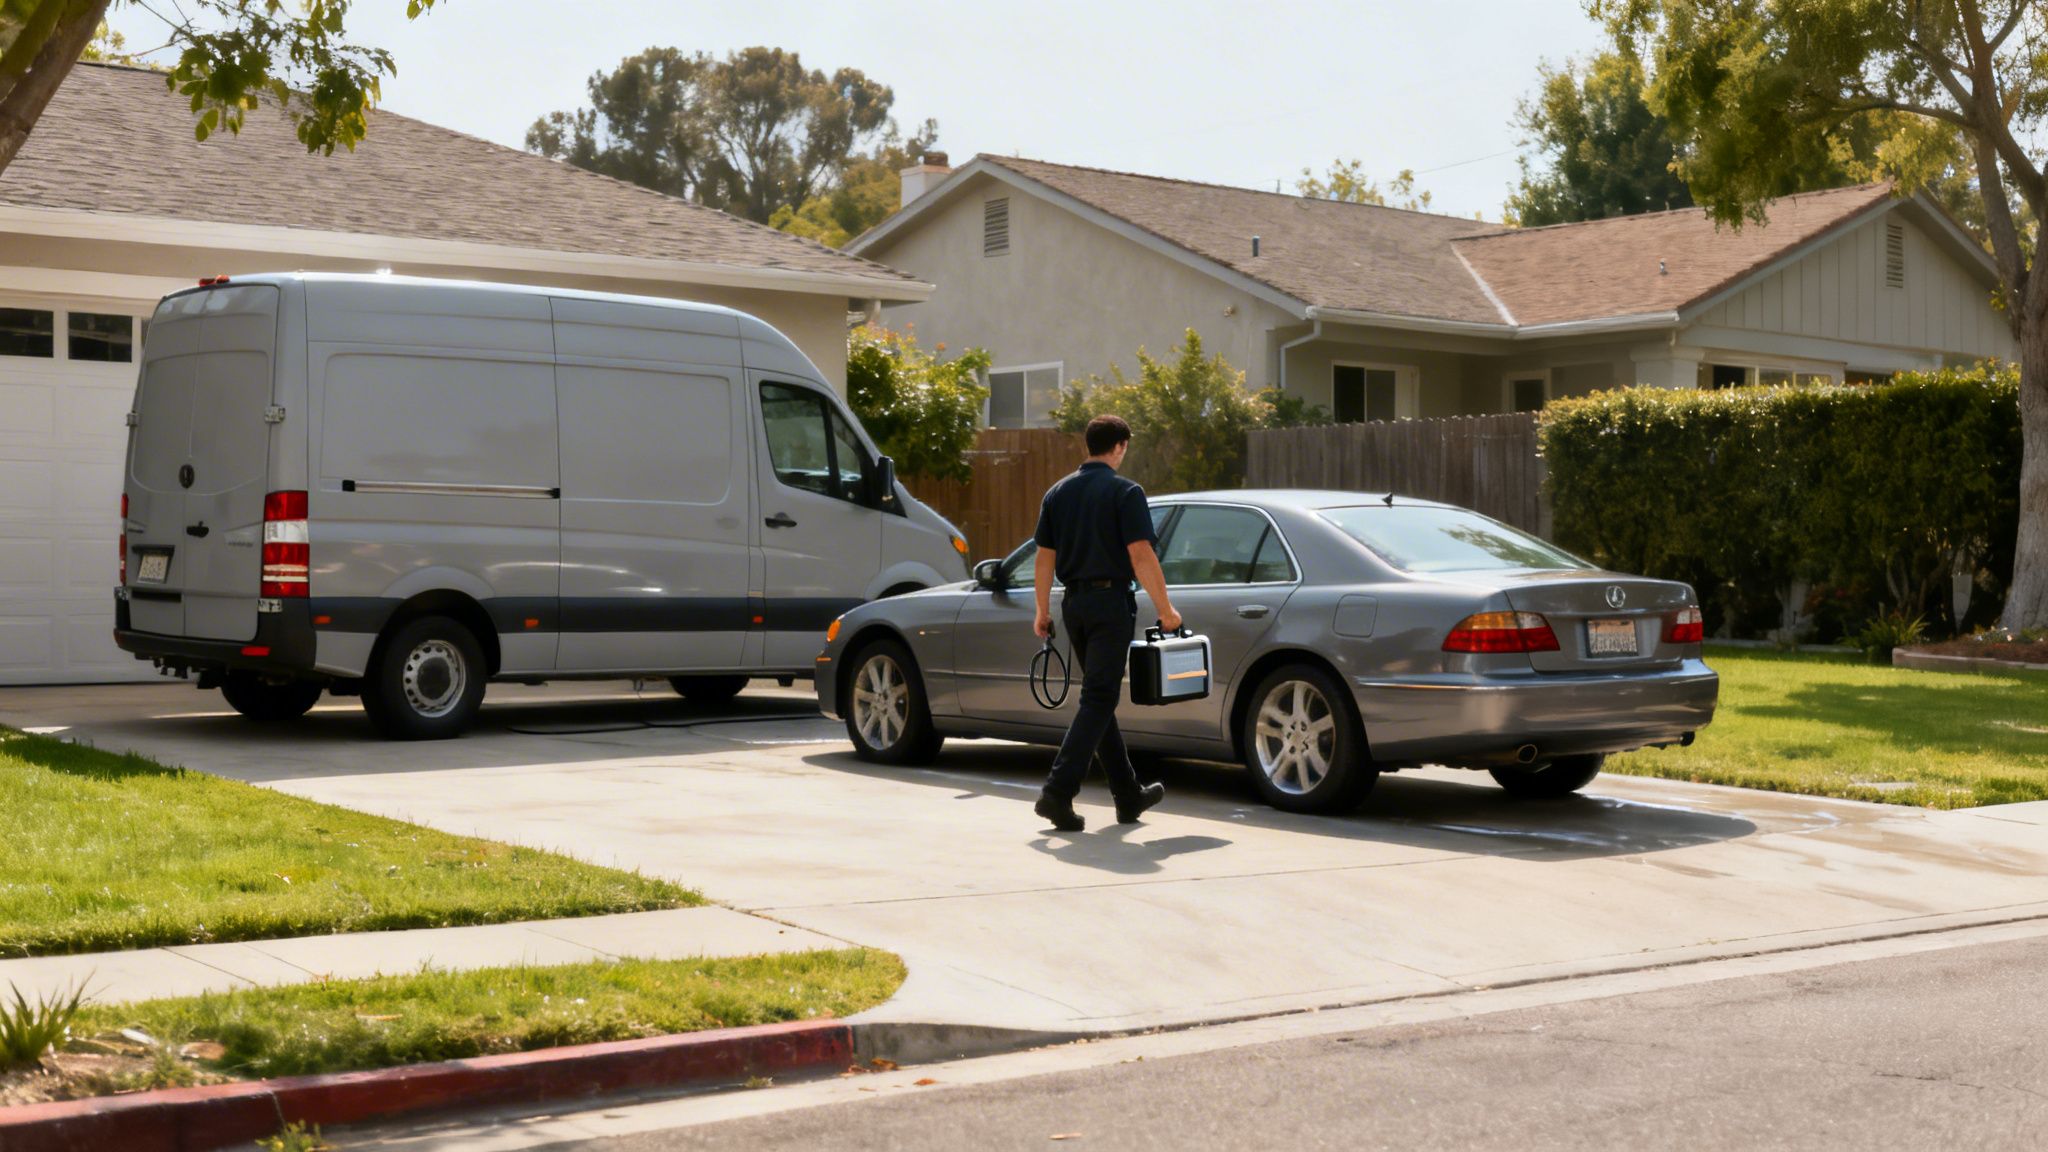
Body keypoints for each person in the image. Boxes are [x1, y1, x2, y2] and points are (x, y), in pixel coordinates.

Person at [1030, 415, 1182, 832]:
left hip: (1072, 605)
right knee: (1099, 698)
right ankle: (1058, 792)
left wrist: (1041, 610)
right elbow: (1140, 554)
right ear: (1119, 447)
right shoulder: (1125, 491)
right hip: (1109, 603)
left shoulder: (1057, 493)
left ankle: (1127, 794)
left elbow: (1044, 557)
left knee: (1100, 700)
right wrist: (1166, 609)